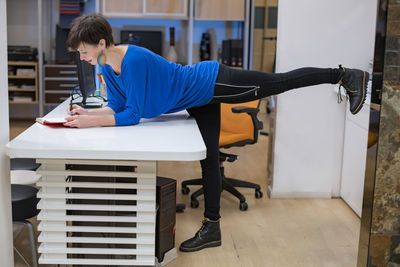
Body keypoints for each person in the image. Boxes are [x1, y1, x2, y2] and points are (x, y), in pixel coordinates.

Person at [65, 14, 369, 252]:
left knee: (278, 83)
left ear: (102, 43)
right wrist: (88, 114)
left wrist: (88, 123)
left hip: (209, 83)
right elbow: (118, 107)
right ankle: (212, 228)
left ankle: (343, 75)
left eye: (84, 51)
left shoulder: (135, 60)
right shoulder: (106, 68)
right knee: (209, 159)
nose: (82, 57)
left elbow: (131, 116)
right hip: (196, 101)